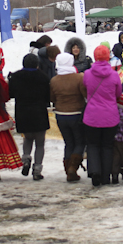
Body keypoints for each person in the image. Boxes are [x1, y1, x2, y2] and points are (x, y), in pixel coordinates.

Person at [82, 45, 122, 186]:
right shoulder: (114, 75)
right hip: (110, 116)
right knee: (107, 146)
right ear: (107, 57)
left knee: (92, 145)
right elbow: (118, 94)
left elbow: (86, 88)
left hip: (91, 116)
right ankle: (105, 177)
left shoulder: (87, 74)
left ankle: (94, 173)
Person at [9, 54, 51, 181]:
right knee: (40, 142)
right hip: (39, 111)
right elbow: (47, 97)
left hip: (23, 111)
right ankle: (37, 170)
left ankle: (26, 158)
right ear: (37, 64)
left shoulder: (15, 76)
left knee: (27, 138)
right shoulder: (43, 77)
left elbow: (11, 94)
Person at [50, 52, 87, 182]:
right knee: (80, 142)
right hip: (76, 113)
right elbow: (85, 94)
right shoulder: (79, 78)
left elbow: (52, 98)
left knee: (68, 143)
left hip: (60, 115)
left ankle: (68, 169)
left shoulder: (54, 80)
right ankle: (73, 167)